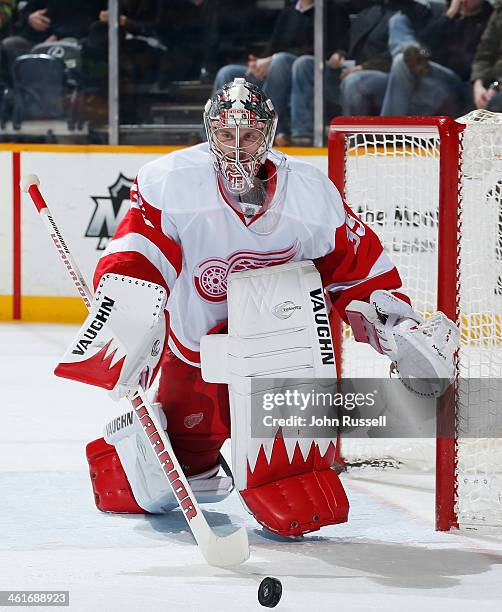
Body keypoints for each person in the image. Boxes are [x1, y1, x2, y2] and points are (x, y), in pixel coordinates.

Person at [59, 79, 457, 537]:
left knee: (287, 470)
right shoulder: (173, 181)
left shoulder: (310, 193)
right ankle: (159, 466)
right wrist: (124, 311)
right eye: (226, 136)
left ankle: (284, 476)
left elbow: (357, 268)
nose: (237, 149)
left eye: (248, 136)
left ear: (268, 134)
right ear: (210, 132)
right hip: (198, 350)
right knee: (177, 469)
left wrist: (393, 324)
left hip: (284, 353)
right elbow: (141, 252)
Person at [211, 0, 349, 139]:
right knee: (228, 73)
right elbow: (274, 45)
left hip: (308, 72)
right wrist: (258, 63)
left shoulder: (332, 12)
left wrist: (273, 59)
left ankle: (268, 128)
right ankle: (214, 134)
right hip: (275, 70)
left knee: (282, 61)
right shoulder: (289, 12)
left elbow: (324, 52)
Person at [380, 0, 493, 116]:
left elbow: (471, 63)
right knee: (362, 80)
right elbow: (424, 43)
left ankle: (388, 131)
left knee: (403, 60)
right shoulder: (443, 15)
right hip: (423, 71)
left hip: (455, 82)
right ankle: (410, 55)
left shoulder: (488, 20)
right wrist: (448, 16)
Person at [471, 1, 502, 112]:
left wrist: (496, 86)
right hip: (493, 80)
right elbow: (484, 53)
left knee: (495, 103)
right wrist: (478, 83)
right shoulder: (499, 11)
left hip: (497, 84)